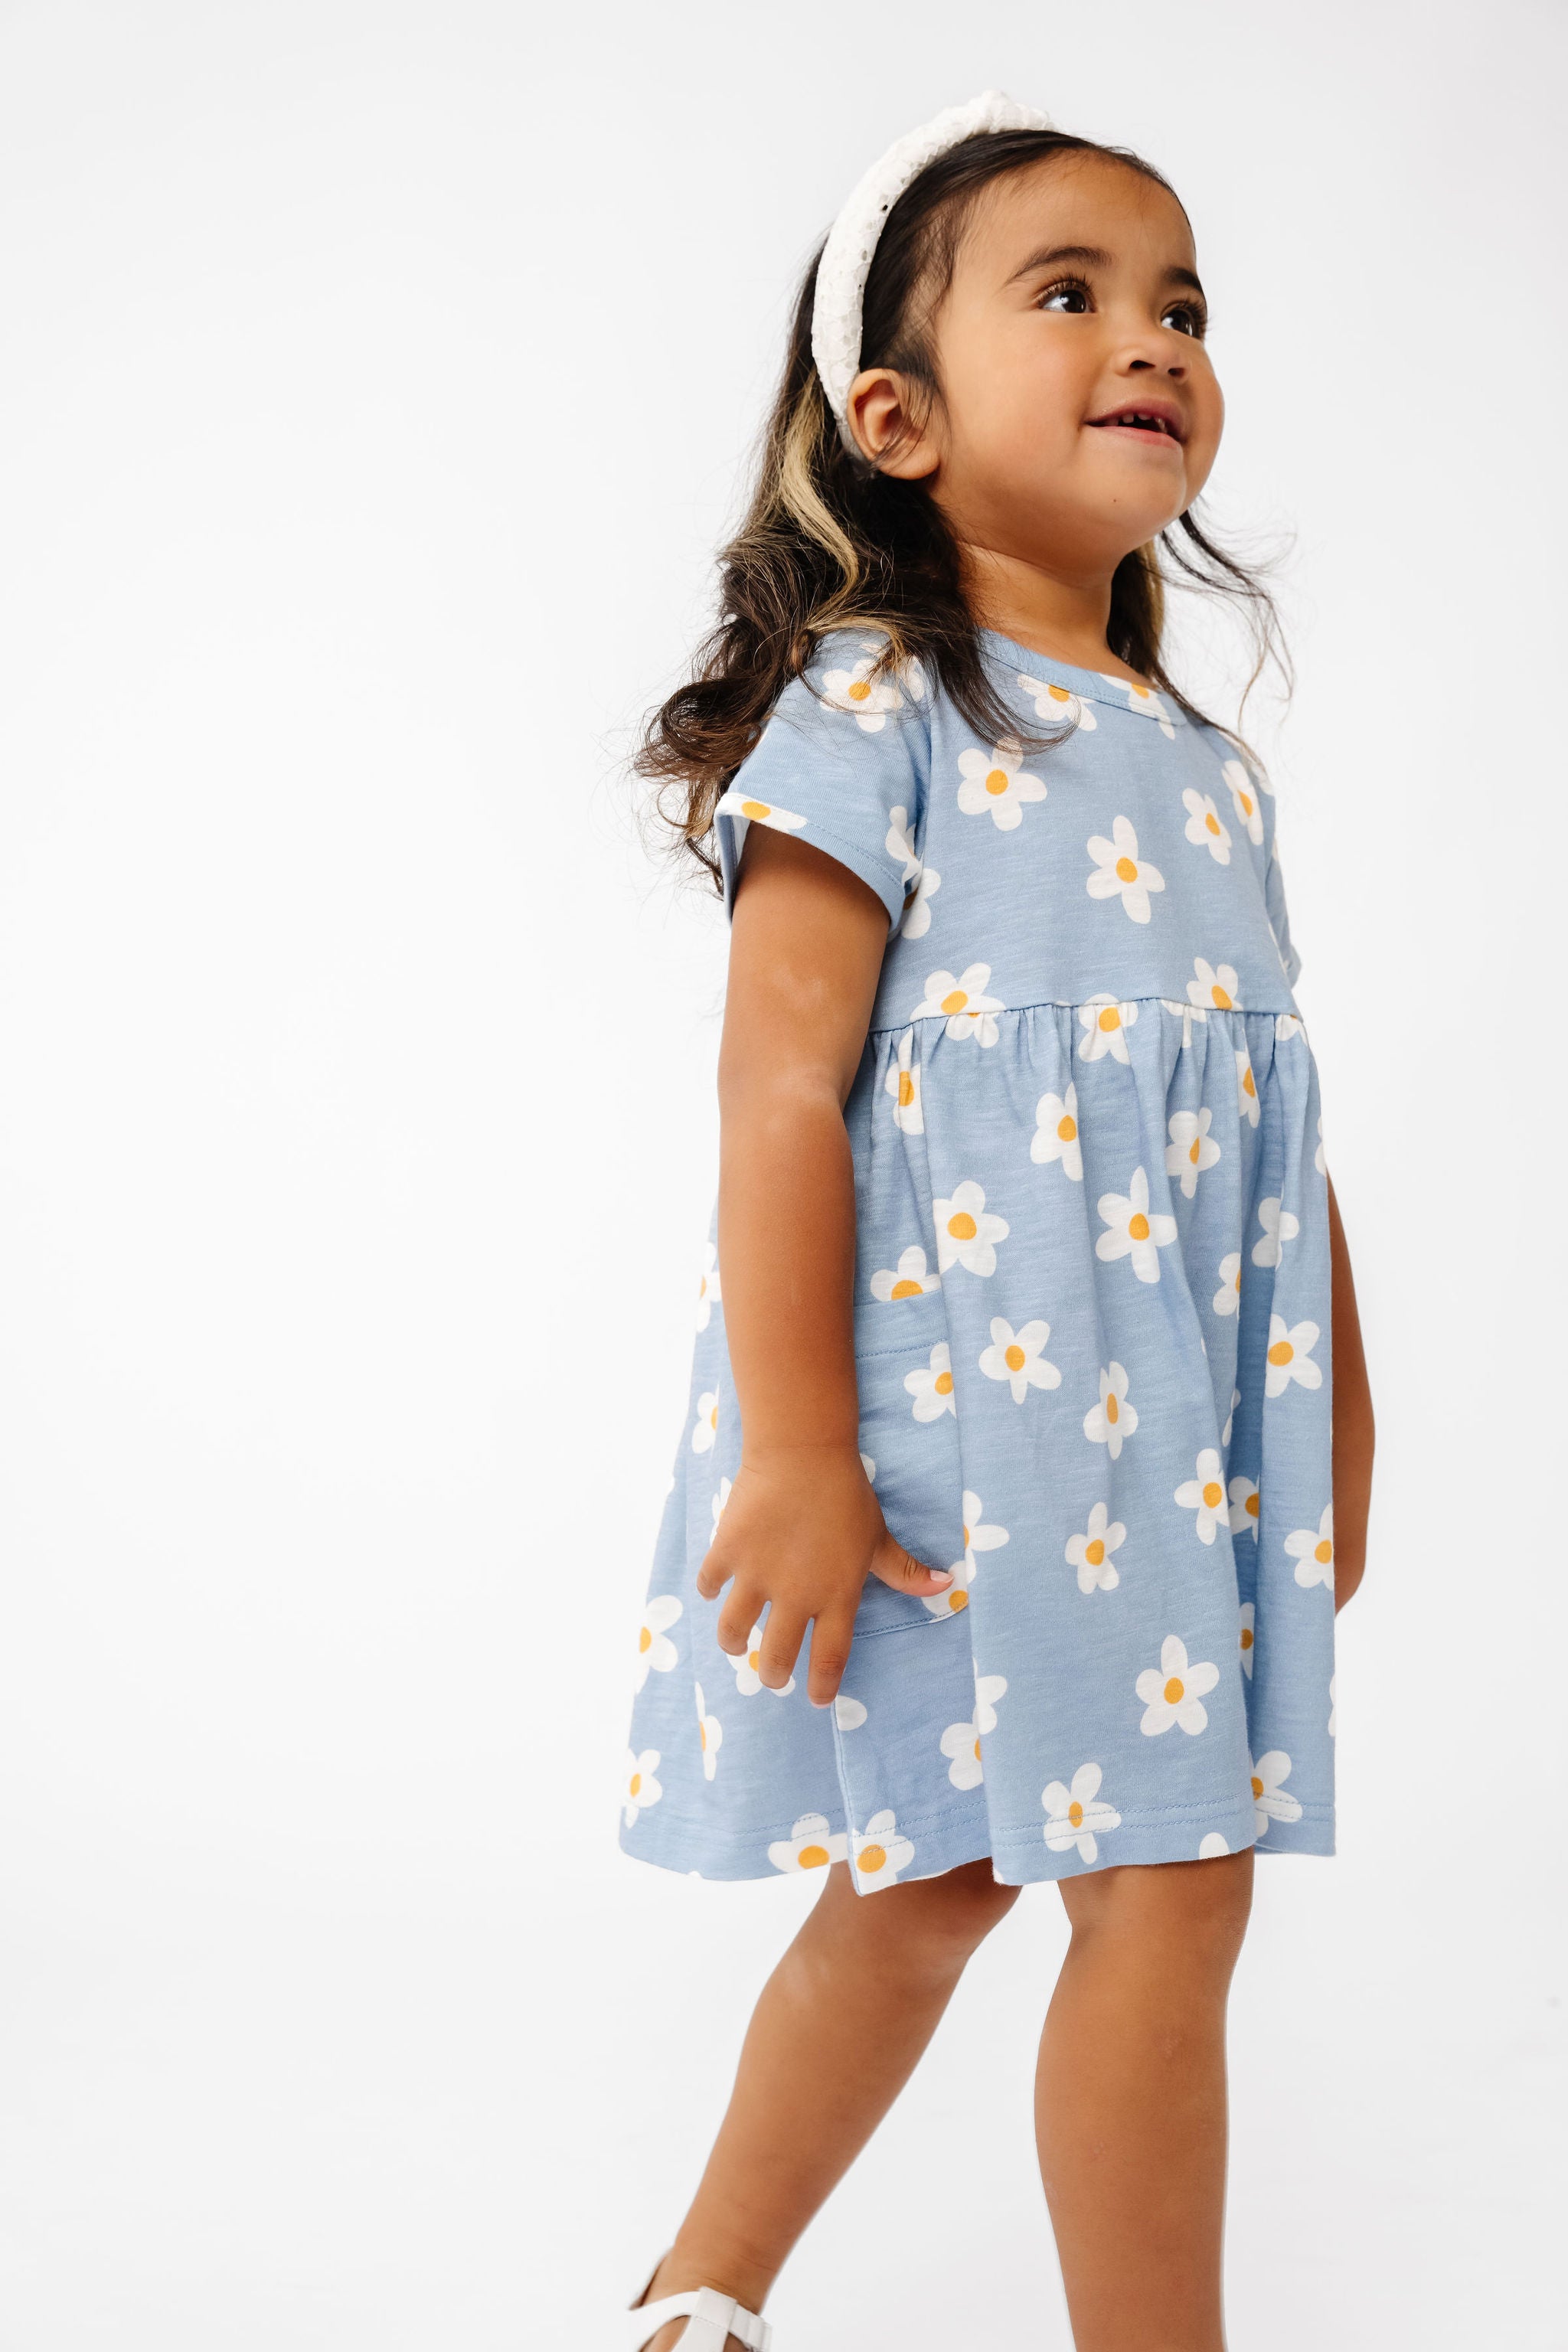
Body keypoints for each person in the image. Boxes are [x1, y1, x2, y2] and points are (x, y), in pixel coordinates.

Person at [619, 91, 1375, 2352]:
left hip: (1171, 1436)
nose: (1155, 339)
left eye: (1181, 305)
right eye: (1071, 294)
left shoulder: (1210, 771)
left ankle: (698, 2290)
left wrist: (1340, 1410)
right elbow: (780, 1086)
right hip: (958, 1416)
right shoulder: (877, 709)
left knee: (1084, 1884)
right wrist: (797, 1448)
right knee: (984, 1883)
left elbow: (1267, 1110)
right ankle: (718, 2289)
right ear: (899, 418)